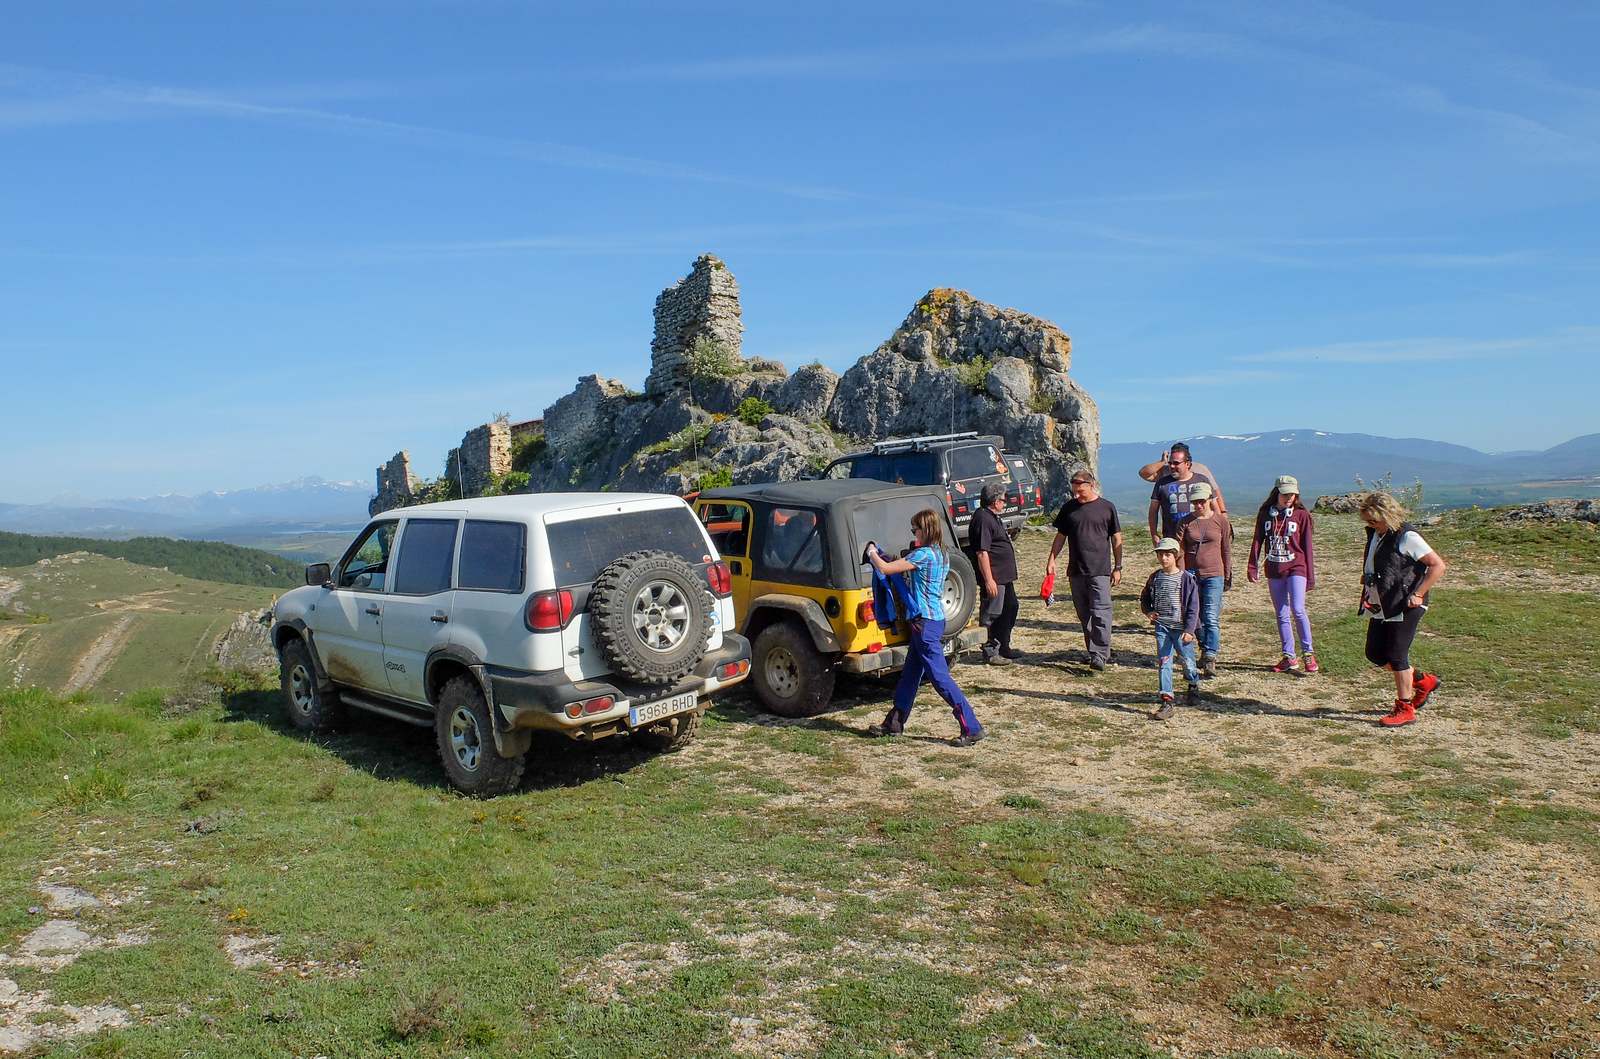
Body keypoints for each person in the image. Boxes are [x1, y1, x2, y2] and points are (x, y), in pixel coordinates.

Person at [866, 508, 985, 746]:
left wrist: (871, 552)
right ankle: (894, 723)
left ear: (926, 530)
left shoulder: (923, 556)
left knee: (940, 678)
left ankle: (971, 727)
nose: (913, 533)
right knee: (910, 676)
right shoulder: (942, 554)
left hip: (924, 624)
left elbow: (886, 569)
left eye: (915, 529)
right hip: (934, 620)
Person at [1358, 492, 1447, 728]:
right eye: (1368, 521)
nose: (1370, 525)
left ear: (1387, 515)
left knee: (1397, 655)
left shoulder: (1407, 536)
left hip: (1405, 602)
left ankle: (1405, 708)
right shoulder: (1378, 533)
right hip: (1382, 601)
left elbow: (1438, 566)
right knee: (1375, 653)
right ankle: (1423, 681)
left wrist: (1418, 593)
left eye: (1373, 520)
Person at [1045, 469, 1124, 671]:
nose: (1077, 495)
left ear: (1091, 485)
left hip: (1100, 570)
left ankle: (1100, 653)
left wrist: (1118, 566)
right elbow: (1061, 537)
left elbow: (1116, 539)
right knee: (1084, 614)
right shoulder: (1069, 509)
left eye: (1080, 491)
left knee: (1101, 612)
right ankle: (1093, 650)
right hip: (1076, 570)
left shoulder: (1107, 508)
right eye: (1074, 491)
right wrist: (1052, 559)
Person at [1247, 475, 1318, 674]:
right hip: (1274, 569)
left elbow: (1308, 547)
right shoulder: (1265, 514)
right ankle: (1289, 656)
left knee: (1298, 608)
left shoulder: (1302, 515)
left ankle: (1308, 652)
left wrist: (1310, 576)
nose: (1289, 498)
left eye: (1292, 494)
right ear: (1276, 493)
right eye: (1285, 494)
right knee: (1281, 613)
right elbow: (1257, 541)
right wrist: (1252, 566)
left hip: (1297, 567)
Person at [1140, 538, 1201, 720]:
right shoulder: (1155, 577)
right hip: (1163, 627)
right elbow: (1144, 597)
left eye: (1167, 554)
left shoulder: (1187, 579)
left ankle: (1193, 684)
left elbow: (1193, 606)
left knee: (1187, 662)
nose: (1163, 558)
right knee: (1164, 662)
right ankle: (1167, 700)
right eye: (1160, 554)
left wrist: (1190, 630)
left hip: (1182, 630)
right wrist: (1148, 611)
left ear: (1175, 556)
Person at [1177, 481, 1232, 678]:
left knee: (1211, 616)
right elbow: (1180, 550)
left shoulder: (1221, 522)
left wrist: (1227, 574)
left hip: (1214, 573)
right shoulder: (1185, 522)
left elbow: (1226, 548)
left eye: (1202, 501)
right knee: (1195, 616)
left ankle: (1210, 656)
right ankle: (1203, 645)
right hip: (1191, 573)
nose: (1198, 505)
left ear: (1210, 500)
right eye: (1195, 502)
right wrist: (1181, 574)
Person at [971, 482, 1021, 665]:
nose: (1005, 503)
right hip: (995, 576)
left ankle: (1003, 645)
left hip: (1004, 576)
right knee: (992, 612)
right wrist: (989, 580)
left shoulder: (992, 516)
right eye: (1003, 500)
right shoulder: (983, 519)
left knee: (1010, 608)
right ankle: (990, 651)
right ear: (994, 501)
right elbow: (982, 552)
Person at [1146, 442, 1225, 544]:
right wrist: (1154, 534)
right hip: (1172, 539)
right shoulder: (1162, 483)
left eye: (1176, 463)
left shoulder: (1201, 479)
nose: (1172, 466)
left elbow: (1214, 506)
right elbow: (1153, 510)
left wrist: (1219, 528)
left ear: (1187, 464)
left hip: (1201, 537)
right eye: (1170, 463)